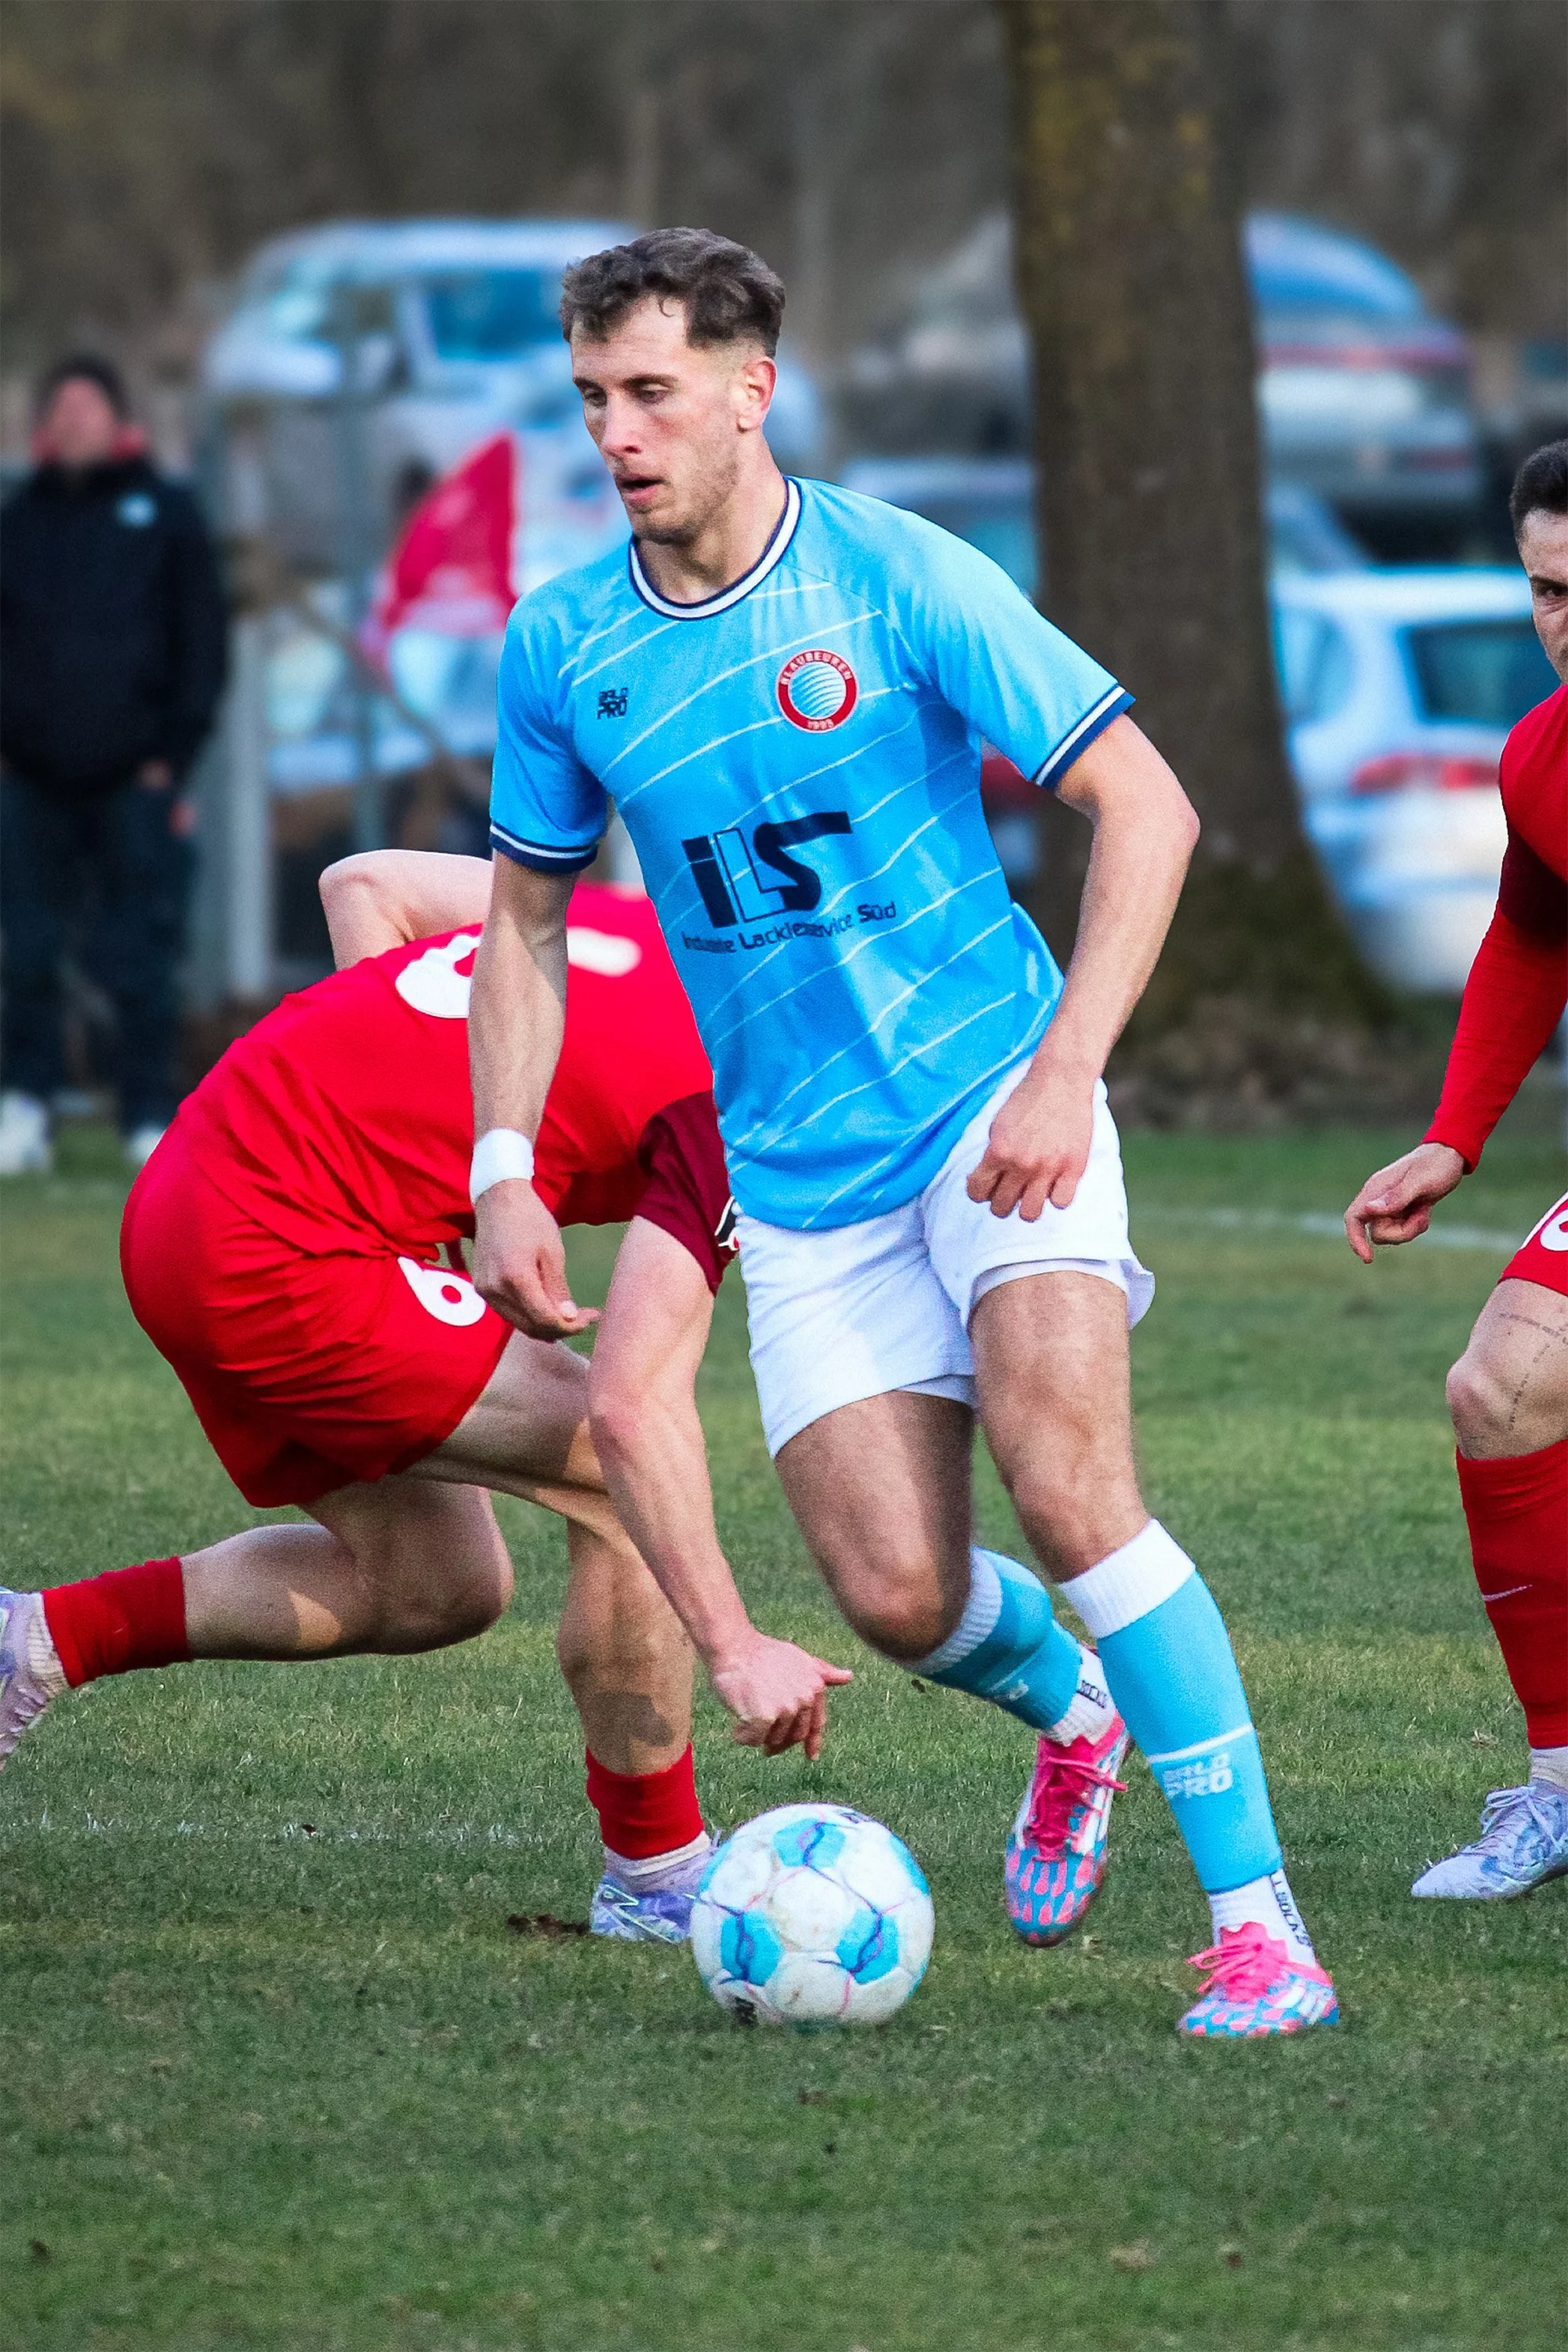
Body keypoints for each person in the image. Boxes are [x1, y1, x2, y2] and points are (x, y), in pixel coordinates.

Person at [467, 227, 1338, 2040]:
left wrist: (1063, 1067)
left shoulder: (891, 575)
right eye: (590, 399)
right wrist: (499, 1157)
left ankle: (1259, 1930)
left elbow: (1148, 808)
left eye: (648, 393)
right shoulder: (561, 648)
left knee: (1068, 1476)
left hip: (990, 1097)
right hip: (797, 1180)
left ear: (747, 387)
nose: (615, 433)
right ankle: (1075, 1716)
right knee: (892, 1588)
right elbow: (525, 926)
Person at [0, 849, 848, 1941]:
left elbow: (366, 887)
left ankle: (35, 1643)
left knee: (434, 1587)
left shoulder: (638, 930)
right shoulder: (746, 1097)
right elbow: (634, 1414)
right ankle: (657, 1872)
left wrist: (417, 1175)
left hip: (191, 1191)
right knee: (618, 1470)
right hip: (274, 1244)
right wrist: (734, 1643)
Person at [1345, 438, 1568, 1900]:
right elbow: (1536, 927)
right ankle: (1559, 1784)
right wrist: (1454, 1132)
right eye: (1550, 590)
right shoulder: (1543, 753)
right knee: (1503, 1385)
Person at [0, 354, 227, 1175]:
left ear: (116, 419)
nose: (71, 421)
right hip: (29, 783)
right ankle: (23, 1105)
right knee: (25, 950)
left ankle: (145, 1114)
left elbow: (202, 644)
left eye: (85, 406)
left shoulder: (165, 516)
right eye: (58, 408)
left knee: (141, 951)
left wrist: (174, 755)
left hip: (137, 779)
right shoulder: (20, 520)